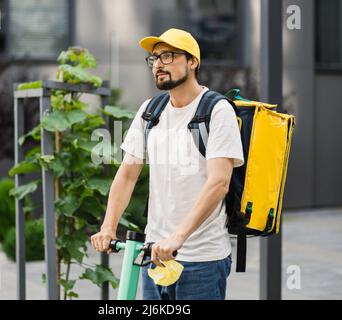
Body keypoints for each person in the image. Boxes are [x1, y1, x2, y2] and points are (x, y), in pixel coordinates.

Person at [91, 28, 244, 300]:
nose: (158, 64)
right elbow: (127, 174)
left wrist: (178, 238)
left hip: (202, 259)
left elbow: (218, 183)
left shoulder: (217, 111)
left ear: (192, 61)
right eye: (154, 58)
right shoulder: (151, 110)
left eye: (168, 56)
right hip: (154, 255)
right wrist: (108, 226)